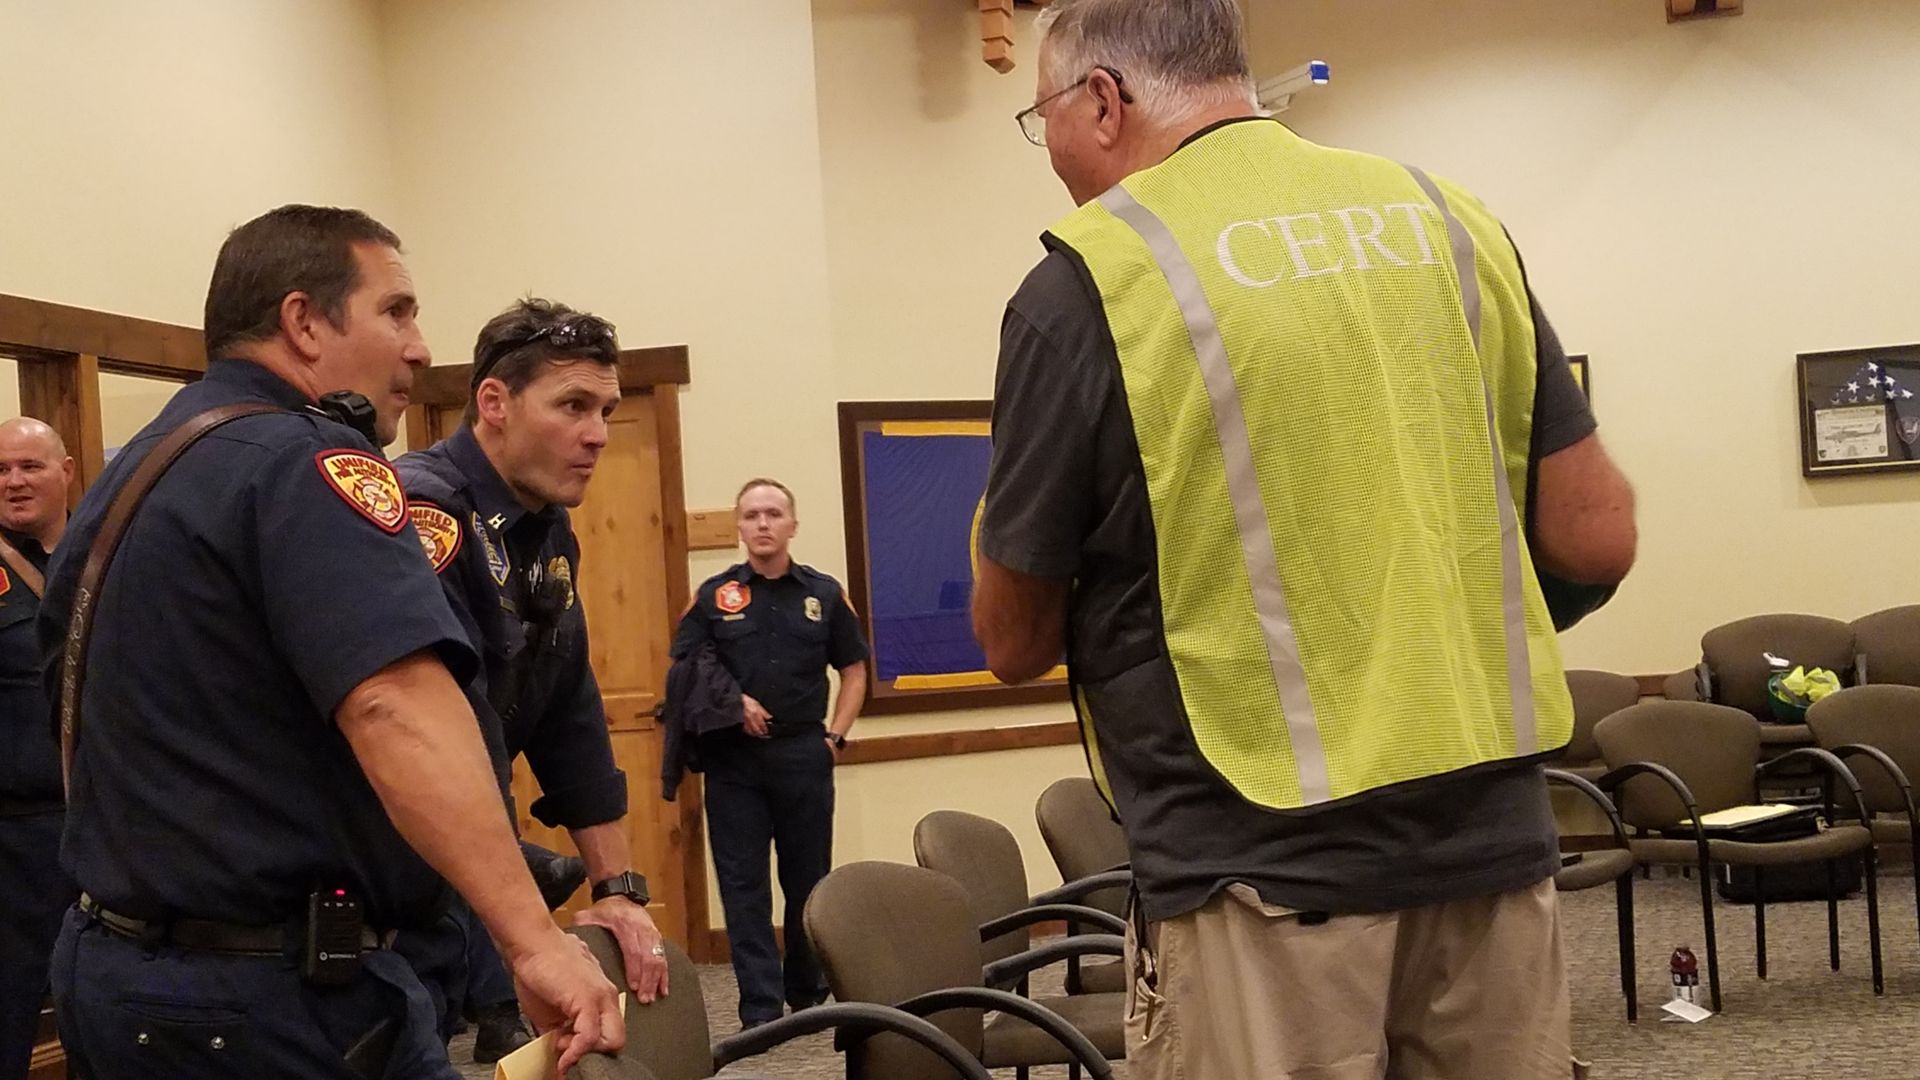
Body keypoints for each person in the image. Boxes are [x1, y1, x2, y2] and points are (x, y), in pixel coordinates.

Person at [971, 3, 1638, 1078]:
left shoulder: (1091, 276)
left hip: (1258, 872)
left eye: (1040, 116)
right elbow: (1594, 536)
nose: (1048, 151)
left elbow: (1012, 636)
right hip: (1490, 846)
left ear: (1102, 99)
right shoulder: (1448, 218)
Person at [37, 205, 623, 1079]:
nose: (420, 349)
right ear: (304, 322)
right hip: (265, 998)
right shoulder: (305, 463)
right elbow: (396, 704)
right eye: (396, 312)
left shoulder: (141, 466)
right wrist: (533, 942)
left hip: (120, 969)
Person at [395, 298, 670, 1063]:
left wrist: (618, 889)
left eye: (607, 410)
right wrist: (532, 935)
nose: (596, 435)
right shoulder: (424, 513)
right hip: (382, 883)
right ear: (493, 402)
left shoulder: (545, 525)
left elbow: (567, 707)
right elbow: (434, 728)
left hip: (461, 878)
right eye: (573, 406)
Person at [669, 479, 868, 1029]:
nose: (762, 523)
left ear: (792, 525)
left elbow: (854, 669)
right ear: (739, 526)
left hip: (804, 753)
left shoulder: (824, 595)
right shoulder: (713, 596)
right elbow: (683, 666)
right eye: (752, 514)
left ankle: (806, 991)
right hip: (734, 763)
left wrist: (837, 737)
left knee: (807, 879)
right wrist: (731, 702)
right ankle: (759, 1005)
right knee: (742, 884)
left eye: (773, 513)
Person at [0, 418, 74, 1080]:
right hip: (13, 843)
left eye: (29, 465)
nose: (14, 481)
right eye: (1, 470)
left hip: (109, 833)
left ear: (66, 472)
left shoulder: (110, 554)